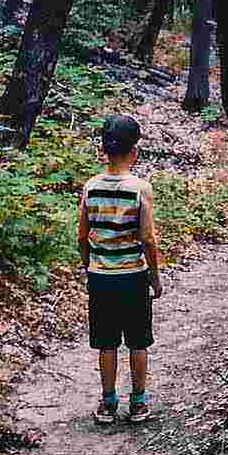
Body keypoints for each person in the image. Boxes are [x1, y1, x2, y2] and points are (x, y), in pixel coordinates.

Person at [77, 114, 163, 424]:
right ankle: (138, 402)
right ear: (134, 151)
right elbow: (148, 239)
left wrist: (89, 265)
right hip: (133, 276)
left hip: (101, 278)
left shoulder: (91, 187)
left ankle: (108, 402)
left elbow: (82, 235)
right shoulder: (140, 188)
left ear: (104, 149)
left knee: (106, 341)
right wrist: (154, 276)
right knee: (138, 341)